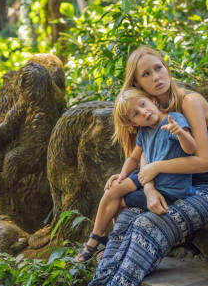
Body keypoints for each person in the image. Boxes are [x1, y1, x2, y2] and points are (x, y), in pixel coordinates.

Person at [61, 46, 208, 286]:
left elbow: (202, 162)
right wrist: (149, 185)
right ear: (138, 85)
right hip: (173, 187)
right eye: (146, 74)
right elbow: (142, 160)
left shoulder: (190, 103)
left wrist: (154, 171)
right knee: (127, 216)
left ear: (167, 68)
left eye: (159, 68)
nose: (156, 76)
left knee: (147, 223)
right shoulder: (150, 117)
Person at [74, 87, 197, 263]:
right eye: (136, 114)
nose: (143, 112)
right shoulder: (144, 132)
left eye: (143, 104)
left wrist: (180, 133)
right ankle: (95, 238)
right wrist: (122, 176)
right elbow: (133, 158)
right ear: (134, 123)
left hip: (168, 189)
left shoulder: (174, 120)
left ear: (152, 101)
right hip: (148, 177)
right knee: (113, 190)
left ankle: (114, 243)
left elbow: (191, 149)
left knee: (118, 203)